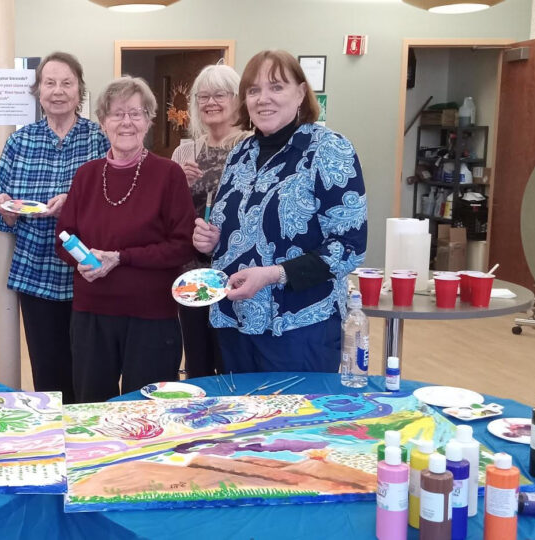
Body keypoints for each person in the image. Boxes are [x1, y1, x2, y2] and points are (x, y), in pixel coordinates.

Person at [193, 50, 367, 374]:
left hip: (298, 327)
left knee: (295, 423)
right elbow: (230, 234)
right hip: (234, 322)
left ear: (301, 93)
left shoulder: (328, 149)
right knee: (241, 422)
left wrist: (273, 274)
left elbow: (348, 248)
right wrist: (208, 241)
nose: (263, 99)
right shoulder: (240, 154)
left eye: (276, 87)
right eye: (254, 90)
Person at [56, 76, 196, 403]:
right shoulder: (87, 175)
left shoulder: (168, 175)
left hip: (151, 317)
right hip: (91, 315)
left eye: (136, 113)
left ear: (148, 120)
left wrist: (120, 258)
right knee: (92, 408)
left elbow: (182, 245)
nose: (126, 122)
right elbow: (63, 239)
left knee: (148, 412)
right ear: (103, 122)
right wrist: (83, 260)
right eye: (117, 114)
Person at [0, 52, 109, 404]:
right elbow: (3, 217)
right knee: (47, 372)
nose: (58, 91)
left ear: (79, 91)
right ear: (38, 90)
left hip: (85, 271)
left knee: (90, 368)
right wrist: (7, 208)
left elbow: (112, 206)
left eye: (67, 83)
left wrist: (72, 205)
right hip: (35, 273)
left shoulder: (99, 140)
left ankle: (90, 443)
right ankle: (55, 438)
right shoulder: (19, 142)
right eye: (50, 83)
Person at [170, 64, 250, 379]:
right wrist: (179, 184)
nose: (210, 102)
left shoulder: (252, 146)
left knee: (231, 357)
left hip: (237, 270)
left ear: (237, 99)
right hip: (193, 271)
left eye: (219, 95)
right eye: (203, 96)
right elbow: (171, 213)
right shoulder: (186, 150)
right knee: (197, 358)